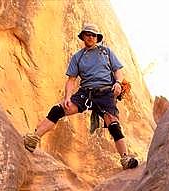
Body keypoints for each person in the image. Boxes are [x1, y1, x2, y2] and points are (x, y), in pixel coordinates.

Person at [23, 23, 138, 170]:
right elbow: (71, 80)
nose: (91, 37)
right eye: (88, 34)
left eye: (93, 35)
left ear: (97, 38)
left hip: (105, 92)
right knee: (58, 110)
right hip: (86, 93)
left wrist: (118, 83)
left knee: (113, 124)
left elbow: (118, 70)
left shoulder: (106, 52)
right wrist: (67, 97)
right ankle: (34, 138)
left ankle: (125, 158)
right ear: (83, 36)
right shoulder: (78, 57)